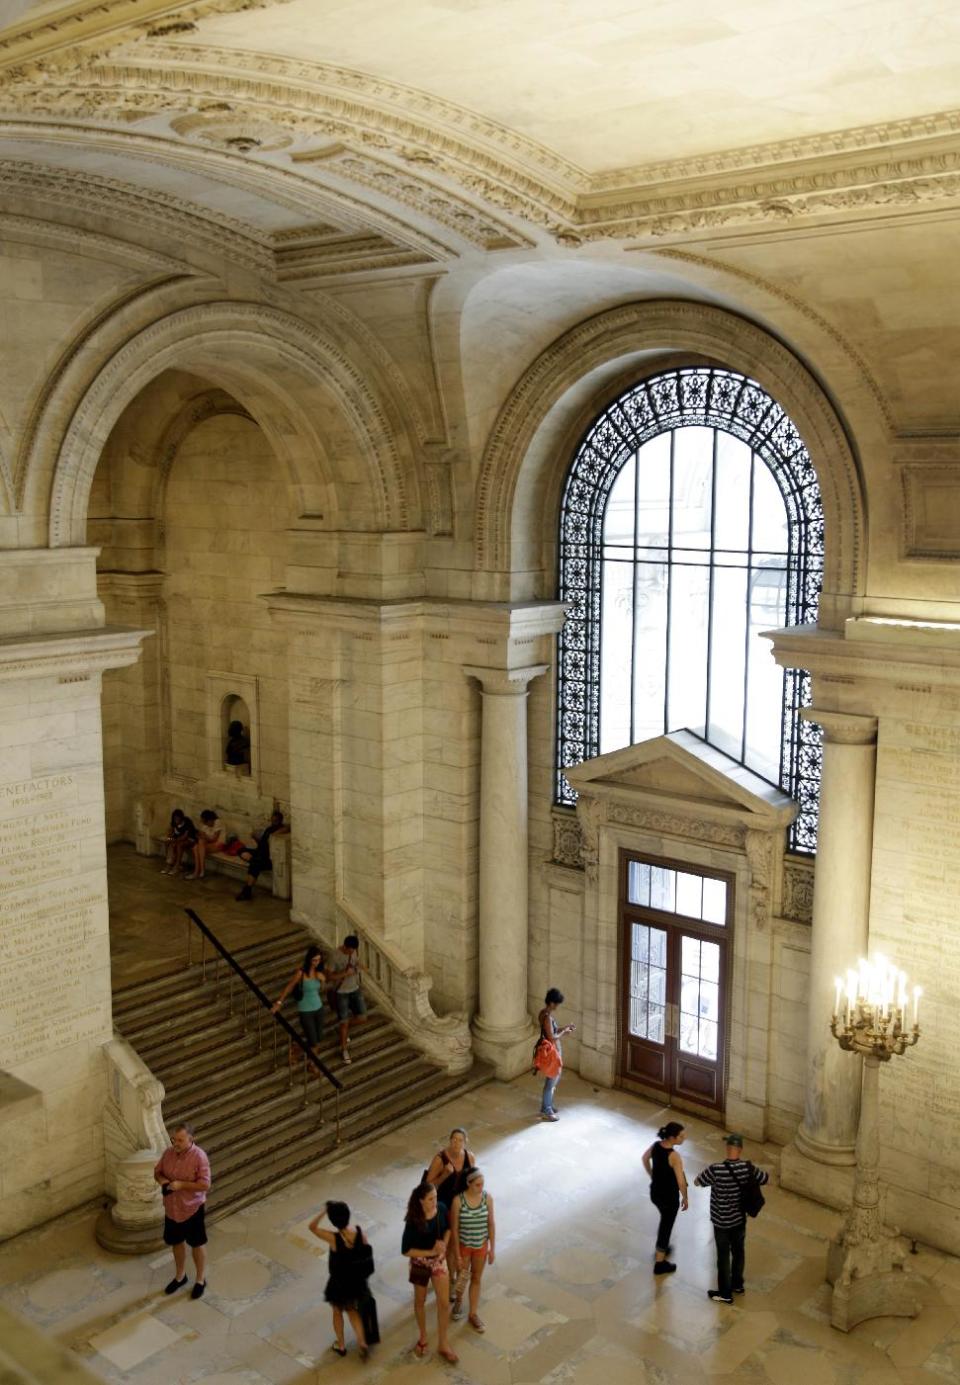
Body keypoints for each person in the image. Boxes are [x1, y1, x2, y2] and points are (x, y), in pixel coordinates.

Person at [694, 1133, 770, 1303]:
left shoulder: (716, 1169)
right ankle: (737, 1284)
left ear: (728, 1149)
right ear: (740, 1150)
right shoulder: (747, 1168)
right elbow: (765, 1179)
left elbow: (698, 1181)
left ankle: (725, 1293)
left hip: (721, 1222)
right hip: (739, 1220)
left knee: (723, 1257)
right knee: (739, 1252)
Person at [153, 1123, 212, 1300]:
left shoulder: (199, 1157)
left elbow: (205, 1184)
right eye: (174, 1139)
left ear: (190, 1139)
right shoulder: (168, 1153)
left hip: (192, 1208)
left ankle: (200, 1279)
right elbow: (157, 1172)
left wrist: (181, 1185)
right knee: (176, 1242)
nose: (175, 1143)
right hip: (172, 1208)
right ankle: (180, 1276)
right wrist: (163, 1182)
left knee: (197, 1244)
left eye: (180, 1140)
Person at [402, 1180, 457, 1364]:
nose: (435, 1201)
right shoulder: (413, 1220)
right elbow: (406, 1250)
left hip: (438, 1262)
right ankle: (423, 1336)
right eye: (431, 1198)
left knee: (443, 1302)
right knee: (420, 1301)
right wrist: (430, 1252)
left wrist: (444, 1245)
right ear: (421, 1201)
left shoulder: (441, 1208)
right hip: (420, 1263)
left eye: (436, 1197)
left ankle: (443, 1342)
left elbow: (448, 1229)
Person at [308, 1201, 372, 1360]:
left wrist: (324, 1210)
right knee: (351, 1310)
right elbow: (365, 1253)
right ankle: (362, 1342)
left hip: (339, 1283)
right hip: (356, 1281)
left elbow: (312, 1227)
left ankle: (341, 1345)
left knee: (337, 1311)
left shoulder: (334, 1238)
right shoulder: (360, 1233)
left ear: (333, 1220)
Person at [449, 1166, 495, 1331]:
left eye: (482, 1184)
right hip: (464, 1247)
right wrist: (457, 1255)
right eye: (477, 1185)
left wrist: (492, 1249)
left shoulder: (487, 1198)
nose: (481, 1187)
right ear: (469, 1183)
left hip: (481, 1246)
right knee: (463, 1277)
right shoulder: (458, 1201)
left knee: (476, 1278)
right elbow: (454, 1229)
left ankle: (473, 1313)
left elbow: (490, 1224)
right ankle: (459, 1301)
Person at [642, 1121, 688, 1275]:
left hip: (655, 1194)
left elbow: (644, 1158)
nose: (684, 1138)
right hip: (669, 1198)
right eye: (681, 1136)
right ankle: (660, 1262)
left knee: (664, 1220)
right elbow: (681, 1181)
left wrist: (652, 1175)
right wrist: (685, 1198)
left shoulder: (656, 1146)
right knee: (666, 1227)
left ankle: (662, 1248)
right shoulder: (674, 1156)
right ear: (672, 1138)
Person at [272, 945, 326, 1054]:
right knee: (313, 1042)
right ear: (309, 959)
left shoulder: (318, 972)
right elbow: (289, 986)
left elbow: (320, 990)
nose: (316, 963)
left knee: (318, 1038)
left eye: (319, 960)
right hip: (306, 1011)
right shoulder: (301, 973)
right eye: (314, 960)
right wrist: (279, 1003)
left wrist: (323, 980)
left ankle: (296, 1048)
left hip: (319, 1008)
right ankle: (312, 1065)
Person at [537, 987, 575, 1121]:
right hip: (552, 1051)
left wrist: (564, 1028)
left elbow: (551, 1031)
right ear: (552, 1003)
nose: (557, 1006)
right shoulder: (547, 1017)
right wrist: (565, 1033)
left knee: (552, 1078)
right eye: (557, 1003)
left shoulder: (543, 1013)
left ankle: (547, 1106)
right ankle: (547, 1110)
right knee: (552, 1080)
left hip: (549, 1050)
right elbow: (552, 1037)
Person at [327, 935, 366, 1065]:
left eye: (353, 950)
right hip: (341, 992)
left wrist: (360, 967)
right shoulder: (334, 956)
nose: (352, 952)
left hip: (355, 988)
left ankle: (343, 1028)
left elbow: (356, 963)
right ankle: (344, 1050)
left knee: (362, 1018)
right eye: (350, 950)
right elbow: (330, 976)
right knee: (344, 1022)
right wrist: (345, 973)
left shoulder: (354, 951)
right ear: (345, 946)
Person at [235, 808, 289, 901]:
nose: (273, 822)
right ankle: (253, 860)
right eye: (272, 820)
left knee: (255, 865)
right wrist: (255, 838)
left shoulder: (281, 829)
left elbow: (287, 828)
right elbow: (262, 843)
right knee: (241, 850)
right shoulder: (269, 828)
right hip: (259, 852)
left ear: (280, 821)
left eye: (276, 821)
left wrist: (273, 835)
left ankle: (247, 890)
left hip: (268, 858)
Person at [425, 1126, 476, 1213]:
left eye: (460, 1140)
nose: (456, 1143)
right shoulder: (440, 1159)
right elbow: (427, 1186)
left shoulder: (470, 1157)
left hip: (461, 1200)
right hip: (443, 1201)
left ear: (465, 1142)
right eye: (454, 1139)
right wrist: (444, 1174)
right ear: (450, 1140)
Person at [187, 809, 227, 880]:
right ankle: (199, 871)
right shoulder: (205, 826)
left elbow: (214, 839)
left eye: (206, 822)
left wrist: (204, 837)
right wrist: (199, 835)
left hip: (219, 845)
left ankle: (199, 871)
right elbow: (203, 836)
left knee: (200, 844)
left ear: (210, 820)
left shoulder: (217, 822)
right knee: (196, 846)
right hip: (209, 845)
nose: (205, 824)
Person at [161, 808, 196, 875]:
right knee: (167, 842)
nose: (176, 820)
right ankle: (169, 864)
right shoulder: (174, 822)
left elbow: (185, 836)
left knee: (178, 845)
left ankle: (177, 866)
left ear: (181, 818)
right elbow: (171, 832)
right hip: (178, 839)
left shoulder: (187, 822)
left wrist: (175, 841)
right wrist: (169, 836)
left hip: (190, 839)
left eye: (177, 818)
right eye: (175, 818)